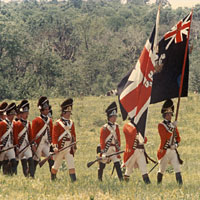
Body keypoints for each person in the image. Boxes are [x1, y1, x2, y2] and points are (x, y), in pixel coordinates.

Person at [157, 99, 183, 185]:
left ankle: (180, 186)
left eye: (170, 114)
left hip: (172, 150)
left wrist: (175, 145)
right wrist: (172, 127)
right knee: (162, 169)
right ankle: (158, 185)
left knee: (177, 168)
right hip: (164, 150)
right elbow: (165, 137)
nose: (170, 116)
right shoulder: (161, 125)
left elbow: (178, 138)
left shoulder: (173, 125)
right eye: (168, 114)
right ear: (164, 115)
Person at [51, 98, 77, 182]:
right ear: (63, 113)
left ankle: (74, 181)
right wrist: (55, 146)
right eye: (68, 112)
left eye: (70, 112)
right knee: (56, 166)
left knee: (71, 164)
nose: (69, 114)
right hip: (60, 147)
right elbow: (54, 136)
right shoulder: (57, 123)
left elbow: (73, 135)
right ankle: (53, 179)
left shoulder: (71, 123)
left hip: (68, 148)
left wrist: (74, 145)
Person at [98, 102, 123, 181]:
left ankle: (121, 180)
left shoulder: (117, 126)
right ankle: (99, 179)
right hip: (106, 148)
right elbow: (102, 140)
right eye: (113, 116)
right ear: (109, 117)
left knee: (117, 164)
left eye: (115, 116)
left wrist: (118, 148)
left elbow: (118, 138)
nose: (115, 118)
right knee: (102, 164)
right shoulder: (105, 128)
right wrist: (103, 151)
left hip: (114, 148)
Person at [122, 119, 151, 184]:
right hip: (132, 151)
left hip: (140, 151)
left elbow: (145, 140)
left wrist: (141, 132)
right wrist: (139, 129)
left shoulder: (139, 127)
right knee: (128, 170)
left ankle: (148, 185)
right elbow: (131, 133)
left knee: (144, 169)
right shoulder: (127, 125)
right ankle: (124, 185)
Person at [32, 96, 53, 175]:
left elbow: (51, 132)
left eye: (48, 109)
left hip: (46, 143)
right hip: (38, 143)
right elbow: (33, 133)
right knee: (36, 160)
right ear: (42, 110)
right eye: (46, 109)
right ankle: (31, 175)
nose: (47, 111)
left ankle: (53, 176)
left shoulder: (49, 120)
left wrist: (52, 143)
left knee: (51, 159)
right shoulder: (36, 120)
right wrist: (33, 144)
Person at [15, 100, 35, 178]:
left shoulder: (28, 123)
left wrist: (32, 144)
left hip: (26, 146)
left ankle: (32, 176)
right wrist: (16, 147)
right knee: (17, 162)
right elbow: (15, 136)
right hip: (19, 146)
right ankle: (12, 175)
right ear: (21, 114)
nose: (27, 115)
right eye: (25, 113)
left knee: (30, 160)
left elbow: (30, 135)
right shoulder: (17, 123)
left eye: (27, 113)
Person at [0, 103, 18, 175]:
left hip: (10, 146)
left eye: (13, 114)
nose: (13, 116)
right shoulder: (2, 124)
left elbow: (15, 136)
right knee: (1, 162)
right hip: (3, 146)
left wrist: (16, 146)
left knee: (13, 161)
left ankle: (13, 175)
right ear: (8, 115)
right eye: (11, 115)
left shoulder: (14, 124)